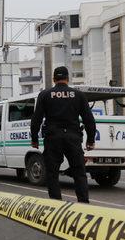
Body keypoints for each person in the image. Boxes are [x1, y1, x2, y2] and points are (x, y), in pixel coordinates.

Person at [30, 66, 96, 203]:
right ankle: (83, 203)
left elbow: (36, 119)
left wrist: (34, 139)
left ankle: (56, 203)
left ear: (54, 79)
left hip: (53, 138)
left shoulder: (45, 95)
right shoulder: (78, 95)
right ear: (68, 79)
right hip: (73, 138)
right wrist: (90, 140)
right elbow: (89, 120)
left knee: (52, 172)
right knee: (79, 172)